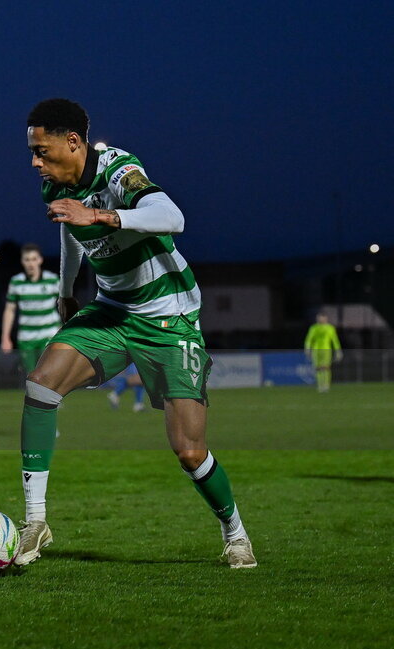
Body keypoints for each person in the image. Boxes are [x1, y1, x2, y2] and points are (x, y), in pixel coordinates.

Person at [16, 98, 256, 569]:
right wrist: (66, 291)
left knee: (189, 451)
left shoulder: (119, 170)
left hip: (169, 318)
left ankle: (235, 531)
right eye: (31, 152)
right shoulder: (53, 188)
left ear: (74, 142)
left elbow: (173, 217)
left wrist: (104, 216)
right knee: (41, 385)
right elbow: (68, 228)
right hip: (112, 311)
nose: (34, 162)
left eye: (42, 151)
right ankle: (35, 521)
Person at [0, 244, 62, 373]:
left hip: (48, 334)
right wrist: (5, 337)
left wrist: (66, 327)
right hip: (26, 337)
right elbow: (10, 310)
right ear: (22, 261)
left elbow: (65, 303)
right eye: (27, 260)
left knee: (47, 374)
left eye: (34, 259)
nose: (30, 263)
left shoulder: (52, 280)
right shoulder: (16, 282)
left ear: (40, 260)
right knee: (32, 378)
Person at [304, 312, 342, 393]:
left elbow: (335, 340)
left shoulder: (330, 328)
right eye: (319, 318)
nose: (320, 319)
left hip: (326, 350)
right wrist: (307, 348)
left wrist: (338, 350)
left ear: (326, 319)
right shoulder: (314, 328)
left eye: (322, 318)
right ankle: (320, 385)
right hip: (316, 350)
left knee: (326, 367)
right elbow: (309, 339)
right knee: (317, 368)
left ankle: (326, 385)